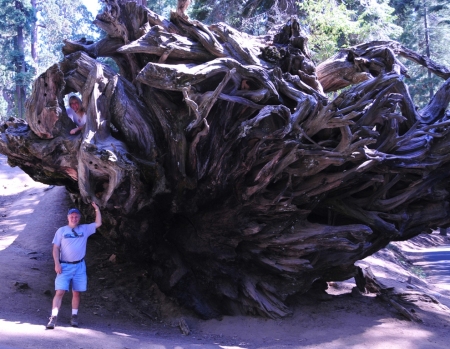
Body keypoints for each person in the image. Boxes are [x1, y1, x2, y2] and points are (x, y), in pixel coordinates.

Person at [46, 202, 102, 329]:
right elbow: (55, 248)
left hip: (79, 266)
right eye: (72, 216)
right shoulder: (61, 231)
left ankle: (74, 316)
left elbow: (98, 223)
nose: (74, 218)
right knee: (60, 291)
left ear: (79, 218)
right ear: (68, 217)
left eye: (76, 216)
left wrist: (97, 209)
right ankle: (53, 317)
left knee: (76, 292)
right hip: (64, 266)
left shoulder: (84, 229)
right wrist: (57, 264)